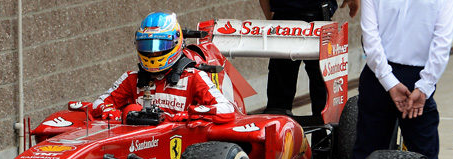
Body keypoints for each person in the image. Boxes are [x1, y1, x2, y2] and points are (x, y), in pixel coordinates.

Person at [344, 0, 453, 159]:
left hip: (378, 79)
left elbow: (370, 41)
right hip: (417, 78)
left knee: (364, 158)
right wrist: (424, 86)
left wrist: (390, 82)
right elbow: (442, 44)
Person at [92, 12, 235, 124]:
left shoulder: (194, 77)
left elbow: (227, 109)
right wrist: (109, 110)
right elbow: (97, 104)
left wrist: (192, 114)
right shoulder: (131, 79)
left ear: (176, 43)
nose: (153, 52)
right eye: (147, 46)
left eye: (160, 46)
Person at [258, 0, 359, 119]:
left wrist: (270, 18)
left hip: (293, 19)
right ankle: (321, 132)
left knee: (281, 100)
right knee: (322, 94)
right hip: (310, 18)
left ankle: (280, 128)